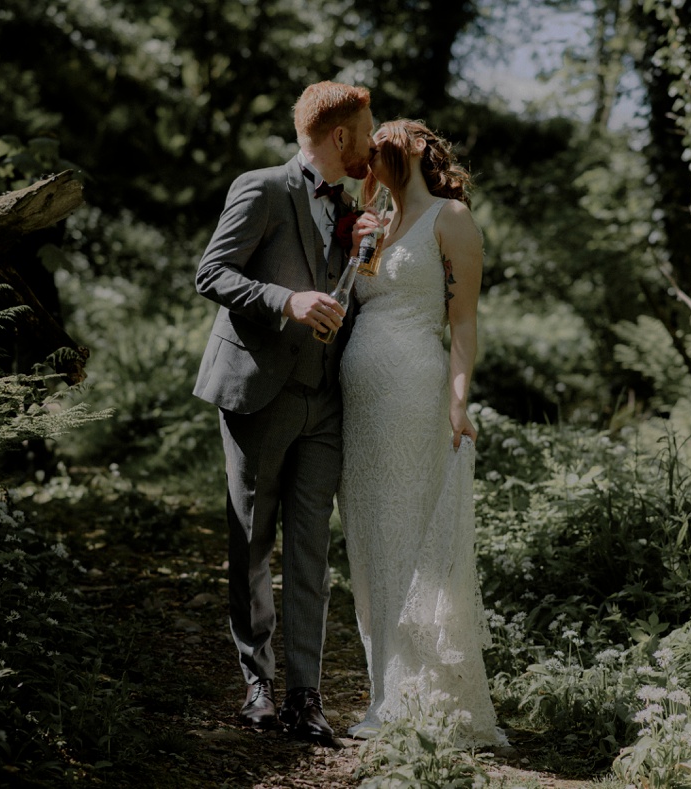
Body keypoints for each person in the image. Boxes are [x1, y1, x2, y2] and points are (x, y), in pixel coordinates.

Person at [193, 80, 376, 746]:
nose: (372, 138)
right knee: (252, 539)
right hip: (258, 390)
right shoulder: (263, 187)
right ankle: (258, 684)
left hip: (324, 400)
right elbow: (211, 272)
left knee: (310, 550)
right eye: (367, 127)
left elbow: (355, 293)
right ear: (339, 136)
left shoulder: (357, 206)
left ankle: (306, 696)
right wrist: (286, 300)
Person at [338, 119, 506, 747]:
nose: (370, 164)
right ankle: (386, 692)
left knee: (408, 532)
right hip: (360, 405)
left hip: (414, 391)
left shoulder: (451, 218)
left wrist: (459, 405)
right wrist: (357, 243)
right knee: (370, 537)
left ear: (406, 152)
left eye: (379, 152)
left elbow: (463, 326)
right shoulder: (375, 222)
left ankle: (418, 698)